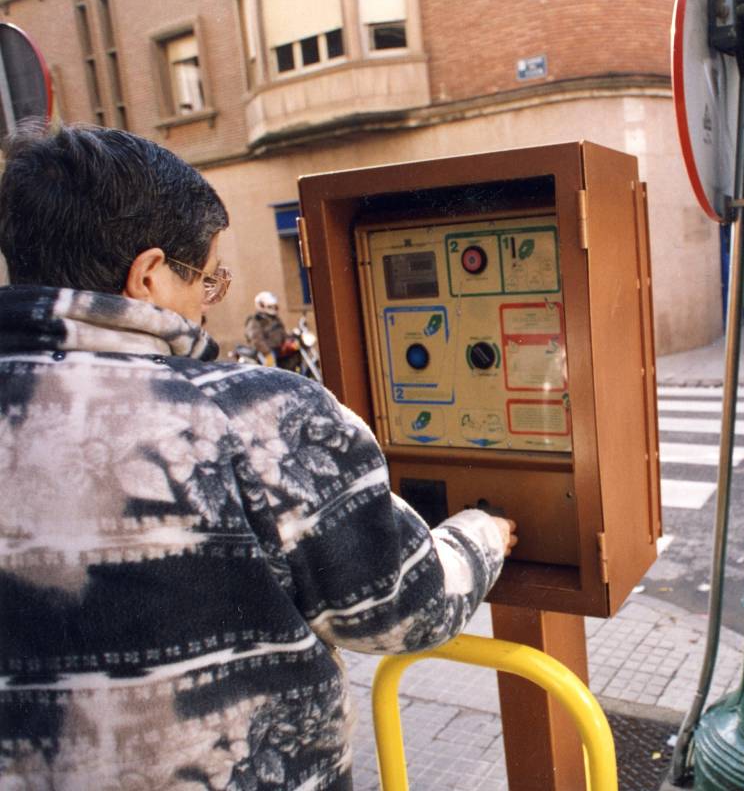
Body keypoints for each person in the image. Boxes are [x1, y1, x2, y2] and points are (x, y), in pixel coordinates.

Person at [0, 124, 516, 789]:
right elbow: (404, 606)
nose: (206, 306)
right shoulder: (255, 415)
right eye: (206, 279)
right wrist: (481, 534)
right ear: (149, 276)